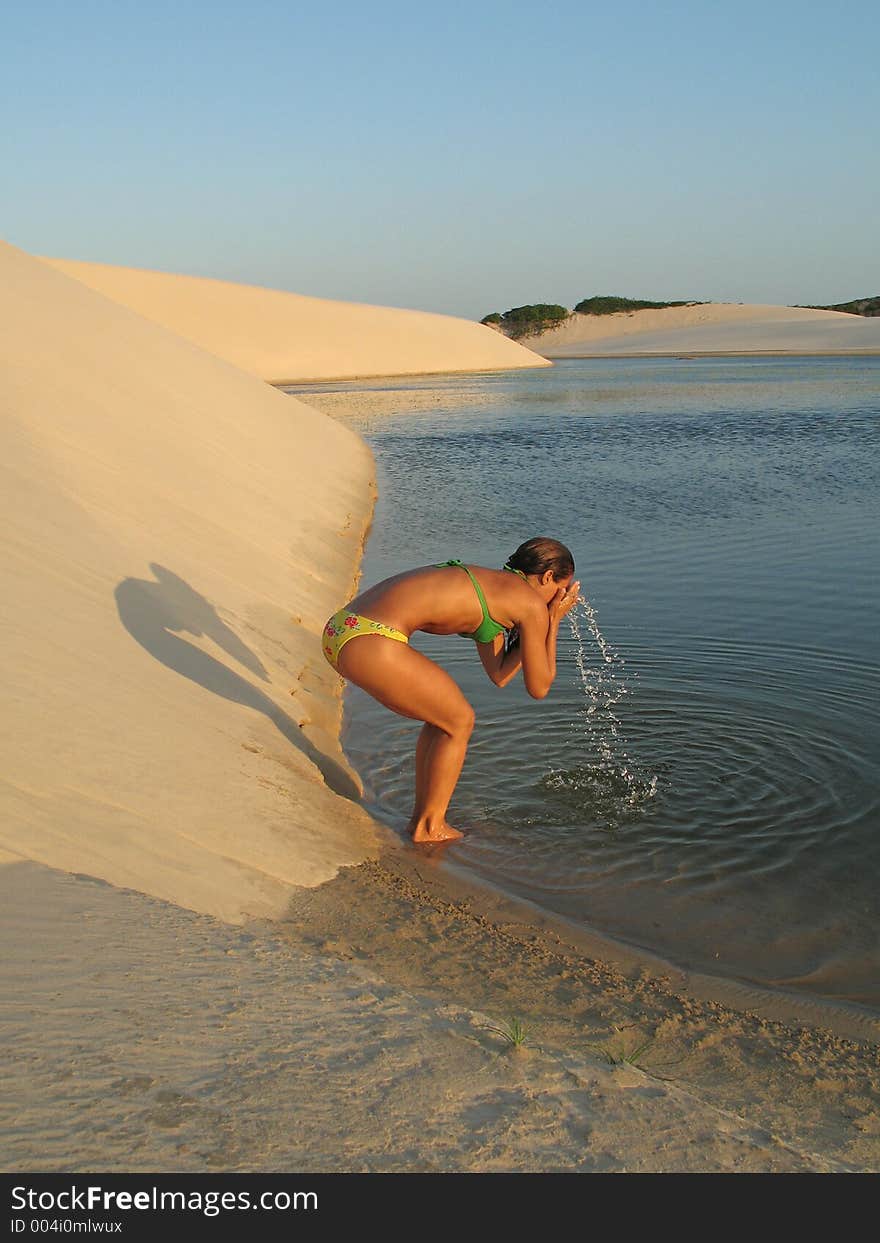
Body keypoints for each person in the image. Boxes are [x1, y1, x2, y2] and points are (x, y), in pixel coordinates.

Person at [322, 537, 580, 843]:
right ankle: (430, 828)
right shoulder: (529, 602)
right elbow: (539, 687)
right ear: (548, 577)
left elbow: (499, 673)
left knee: (444, 719)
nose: (557, 598)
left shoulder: (496, 587)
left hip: (342, 630)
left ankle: (422, 822)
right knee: (459, 720)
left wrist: (538, 627)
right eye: (559, 590)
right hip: (371, 638)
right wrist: (552, 620)